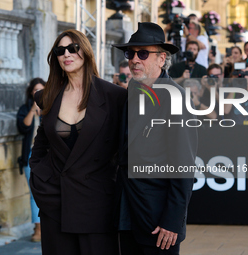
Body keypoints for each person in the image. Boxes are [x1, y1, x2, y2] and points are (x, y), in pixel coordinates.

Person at [29, 29, 127, 255]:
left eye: (73, 48)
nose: (66, 54)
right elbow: (41, 146)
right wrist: (40, 182)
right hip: (56, 203)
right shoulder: (47, 96)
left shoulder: (114, 96)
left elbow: (124, 150)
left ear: (86, 51)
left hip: (96, 204)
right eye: (60, 50)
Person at [113, 22, 198, 255]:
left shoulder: (175, 98)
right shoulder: (132, 90)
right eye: (130, 53)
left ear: (162, 59)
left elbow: (184, 165)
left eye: (143, 53)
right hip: (127, 212)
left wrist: (173, 220)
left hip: (159, 221)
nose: (134, 60)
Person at [16, 77, 46, 242]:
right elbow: (23, 127)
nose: (38, 93)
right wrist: (33, 110)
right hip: (30, 156)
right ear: (31, 92)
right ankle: (38, 228)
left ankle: (48, 226)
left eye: (41, 90)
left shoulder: (51, 108)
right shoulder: (25, 109)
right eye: (36, 90)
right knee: (34, 193)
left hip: (48, 156)